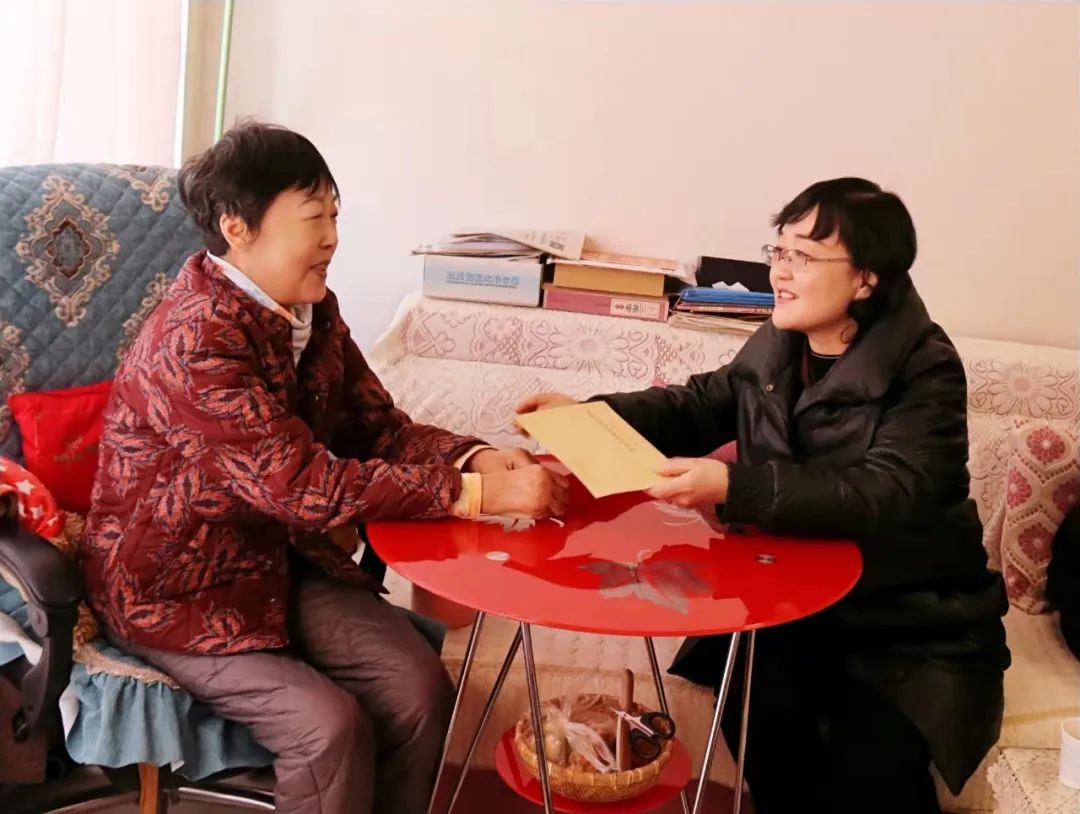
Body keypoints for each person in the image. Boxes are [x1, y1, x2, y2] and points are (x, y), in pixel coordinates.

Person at [82, 121, 568, 814]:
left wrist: (476, 455)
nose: (333, 238)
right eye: (314, 219)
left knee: (418, 687)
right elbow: (301, 487)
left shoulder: (310, 313)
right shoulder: (195, 341)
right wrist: (477, 493)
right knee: (327, 729)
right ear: (237, 227)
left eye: (335, 216)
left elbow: (377, 429)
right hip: (179, 593)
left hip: (280, 564)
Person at [516, 178, 1009, 813]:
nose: (780, 271)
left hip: (905, 622)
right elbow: (696, 406)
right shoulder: (779, 341)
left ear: (866, 277)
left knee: (870, 767)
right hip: (791, 602)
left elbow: (889, 490)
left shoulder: (926, 366)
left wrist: (734, 487)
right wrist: (586, 416)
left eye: (803, 256)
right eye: (779, 251)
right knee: (761, 727)